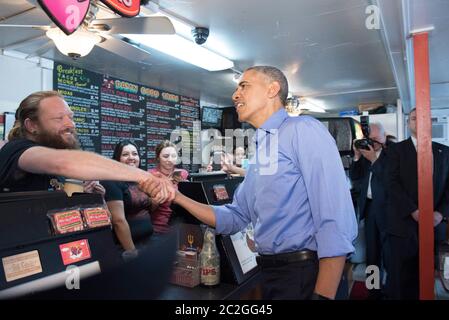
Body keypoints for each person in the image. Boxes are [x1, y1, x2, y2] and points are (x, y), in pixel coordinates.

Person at [143, 66, 357, 299]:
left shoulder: (302, 130)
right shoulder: (262, 150)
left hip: (306, 274)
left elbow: (335, 219)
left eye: (244, 86)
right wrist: (178, 197)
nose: (235, 95)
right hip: (274, 275)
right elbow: (234, 217)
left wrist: (323, 295)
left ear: (272, 89)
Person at [0, 91, 174, 204]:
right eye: (59, 118)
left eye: (71, 117)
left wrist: (85, 194)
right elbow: (65, 163)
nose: (70, 124)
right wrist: (144, 176)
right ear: (32, 126)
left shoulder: (51, 155)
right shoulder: (16, 150)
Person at [385, 108, 449, 299]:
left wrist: (441, 213)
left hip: (434, 227)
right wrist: (413, 210)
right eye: (414, 118)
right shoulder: (395, 151)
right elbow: (391, 184)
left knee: (427, 279)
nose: (418, 122)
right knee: (401, 281)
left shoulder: (444, 152)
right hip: (402, 228)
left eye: (423, 119)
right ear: (408, 123)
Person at [349, 122, 392, 299]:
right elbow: (356, 178)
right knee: (372, 256)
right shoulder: (366, 154)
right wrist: (358, 157)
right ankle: (373, 291)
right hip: (371, 209)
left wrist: (375, 159)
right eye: (369, 139)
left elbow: (391, 182)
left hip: (390, 211)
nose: (372, 142)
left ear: (384, 136)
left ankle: (392, 290)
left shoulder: (394, 155)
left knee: (390, 255)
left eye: (375, 139)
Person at [101, 140, 154, 254]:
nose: (131, 157)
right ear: (117, 159)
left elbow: (148, 208)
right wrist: (132, 252)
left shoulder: (141, 180)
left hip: (148, 242)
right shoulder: (111, 181)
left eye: (135, 154)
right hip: (126, 248)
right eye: (125, 154)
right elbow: (118, 221)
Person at [149, 140, 188, 234]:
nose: (170, 159)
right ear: (158, 157)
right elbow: (147, 208)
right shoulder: (150, 175)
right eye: (165, 156)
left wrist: (186, 187)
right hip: (158, 227)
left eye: (173, 156)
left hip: (180, 226)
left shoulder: (183, 173)